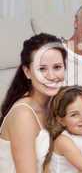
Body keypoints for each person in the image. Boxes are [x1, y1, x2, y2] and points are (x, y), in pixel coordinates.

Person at [0, 33, 66, 173]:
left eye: (57, 67)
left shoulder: (53, 102)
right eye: (41, 69)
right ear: (27, 72)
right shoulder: (23, 115)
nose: (52, 76)